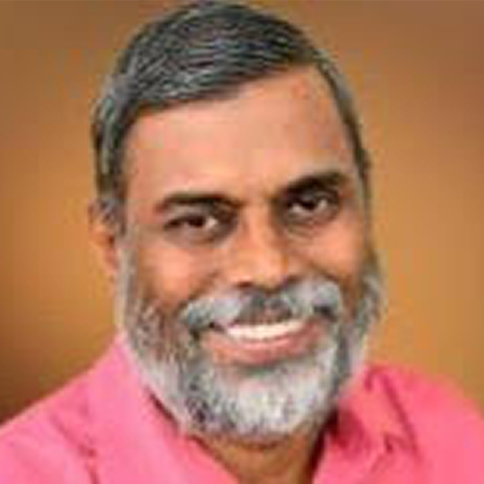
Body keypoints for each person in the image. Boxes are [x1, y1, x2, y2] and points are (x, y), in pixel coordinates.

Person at [0, 1, 483, 482]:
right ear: (112, 246)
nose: (268, 267)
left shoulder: (450, 436)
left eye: (309, 204)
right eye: (198, 222)